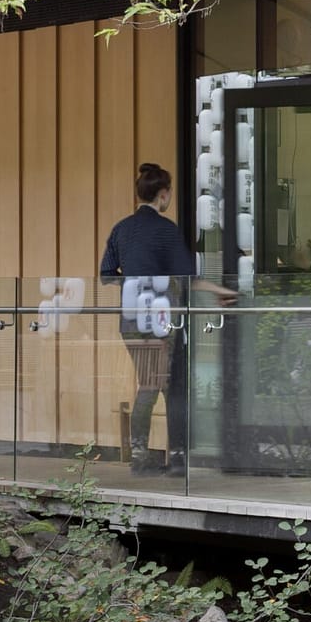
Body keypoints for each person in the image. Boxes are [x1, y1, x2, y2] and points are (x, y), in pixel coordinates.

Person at [100, 163, 235, 476]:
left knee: (152, 383)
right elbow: (188, 277)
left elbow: (107, 275)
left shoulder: (121, 229)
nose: (170, 198)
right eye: (169, 193)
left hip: (132, 320)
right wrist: (218, 290)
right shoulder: (165, 230)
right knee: (163, 386)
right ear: (163, 195)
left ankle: (147, 455)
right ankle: (169, 458)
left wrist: (134, 283)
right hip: (161, 319)